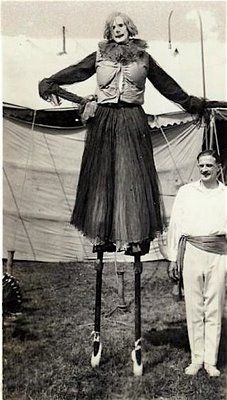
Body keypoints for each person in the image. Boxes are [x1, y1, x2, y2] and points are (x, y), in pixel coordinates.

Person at [38, 11, 217, 257]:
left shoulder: (143, 58)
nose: (118, 29)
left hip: (132, 118)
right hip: (104, 119)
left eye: (121, 25)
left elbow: (167, 85)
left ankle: (136, 238)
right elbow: (75, 72)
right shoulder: (99, 55)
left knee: (132, 177)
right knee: (101, 175)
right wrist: (61, 88)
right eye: (113, 27)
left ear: (129, 28)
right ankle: (102, 235)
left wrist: (192, 104)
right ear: (109, 32)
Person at [167, 149, 227, 377]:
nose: (204, 170)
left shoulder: (225, 194)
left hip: (219, 253)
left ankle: (210, 361)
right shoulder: (186, 192)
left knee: (214, 305)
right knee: (194, 307)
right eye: (201, 165)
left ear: (218, 167)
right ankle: (196, 359)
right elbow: (176, 226)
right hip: (191, 251)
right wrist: (174, 257)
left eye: (209, 166)